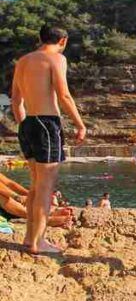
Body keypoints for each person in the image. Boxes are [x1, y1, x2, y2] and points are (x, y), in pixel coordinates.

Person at [9, 24, 87, 254]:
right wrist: (80, 125)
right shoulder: (56, 59)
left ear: (40, 37)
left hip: (28, 123)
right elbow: (63, 94)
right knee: (45, 186)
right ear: (62, 41)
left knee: (35, 184)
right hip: (46, 123)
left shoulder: (22, 61)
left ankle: (29, 237)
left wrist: (24, 123)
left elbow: (15, 100)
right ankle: (38, 242)